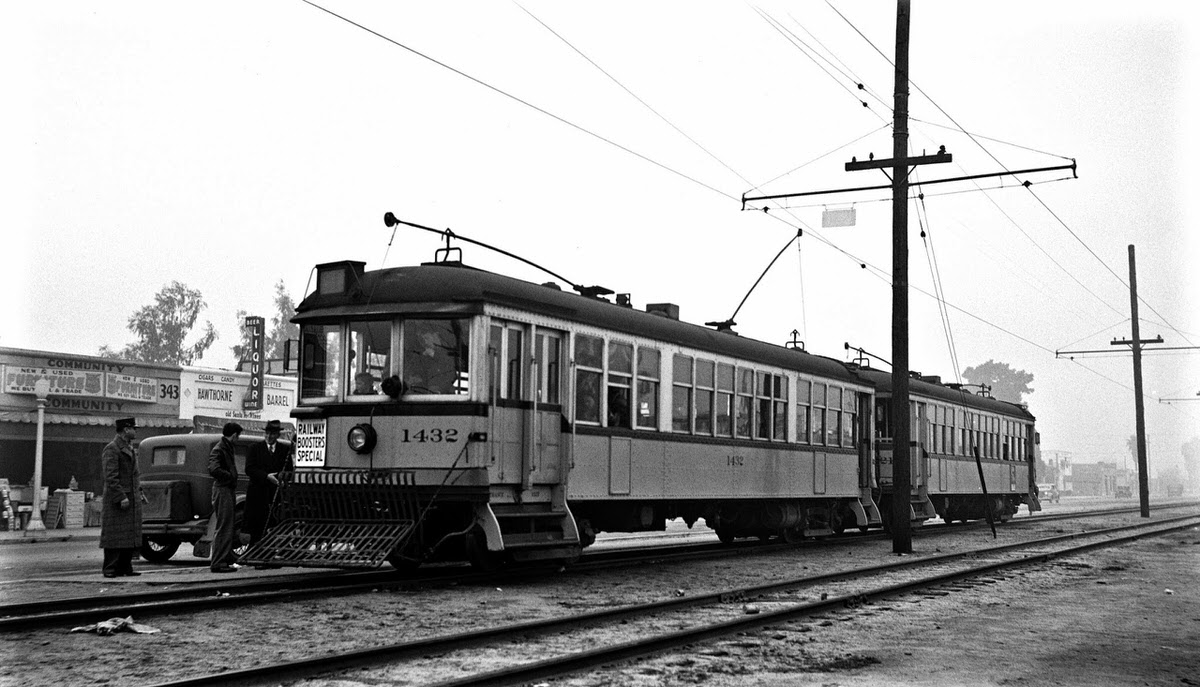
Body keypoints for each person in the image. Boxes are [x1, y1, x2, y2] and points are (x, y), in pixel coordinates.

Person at [99, 417, 145, 578]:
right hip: (118, 500)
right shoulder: (112, 449)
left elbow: (134, 476)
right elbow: (111, 477)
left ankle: (125, 567)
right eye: (134, 428)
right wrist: (120, 497)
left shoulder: (129, 448)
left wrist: (139, 492)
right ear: (126, 429)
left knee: (128, 535)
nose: (135, 431)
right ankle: (110, 568)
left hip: (131, 497)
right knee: (115, 535)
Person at [244, 419, 291, 545]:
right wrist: (266, 476)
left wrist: (283, 476)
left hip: (275, 494)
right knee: (257, 527)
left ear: (277, 435)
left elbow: (289, 470)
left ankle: (270, 551)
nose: (269, 437)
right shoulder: (254, 448)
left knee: (273, 525)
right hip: (258, 494)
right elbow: (249, 469)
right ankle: (254, 552)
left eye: (272, 434)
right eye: (267, 434)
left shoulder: (284, 450)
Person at [207, 421, 242, 573]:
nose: (238, 439)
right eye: (238, 436)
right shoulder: (220, 448)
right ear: (234, 435)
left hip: (226, 489)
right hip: (223, 490)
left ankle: (224, 559)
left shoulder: (225, 447)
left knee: (228, 525)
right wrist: (229, 477)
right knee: (224, 526)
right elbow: (213, 469)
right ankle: (218, 562)